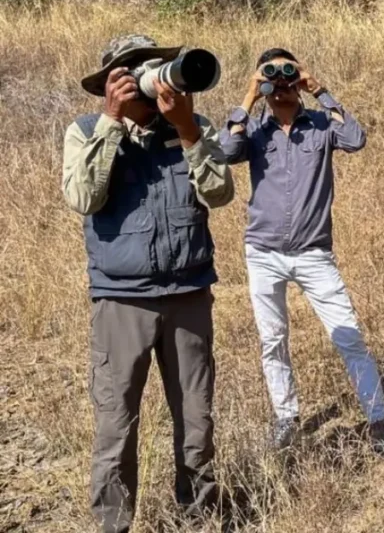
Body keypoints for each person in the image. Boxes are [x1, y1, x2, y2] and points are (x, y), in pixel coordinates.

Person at [63, 35, 234, 533]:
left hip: (188, 296)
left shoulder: (192, 127)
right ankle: (113, 525)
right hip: (121, 300)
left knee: (197, 424)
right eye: (130, 70)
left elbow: (220, 193)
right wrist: (112, 124)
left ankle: (198, 518)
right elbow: (83, 197)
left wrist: (186, 130)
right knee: (117, 427)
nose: (145, 77)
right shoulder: (85, 131)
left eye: (151, 67)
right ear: (109, 85)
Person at [219, 48, 384, 463]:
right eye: (273, 76)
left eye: (288, 74)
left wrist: (319, 89)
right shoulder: (253, 130)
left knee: (348, 336)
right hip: (264, 252)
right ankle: (286, 419)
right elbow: (227, 151)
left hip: (313, 253)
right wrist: (251, 92)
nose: (282, 82)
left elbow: (356, 139)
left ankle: (379, 422)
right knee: (273, 340)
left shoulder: (322, 125)